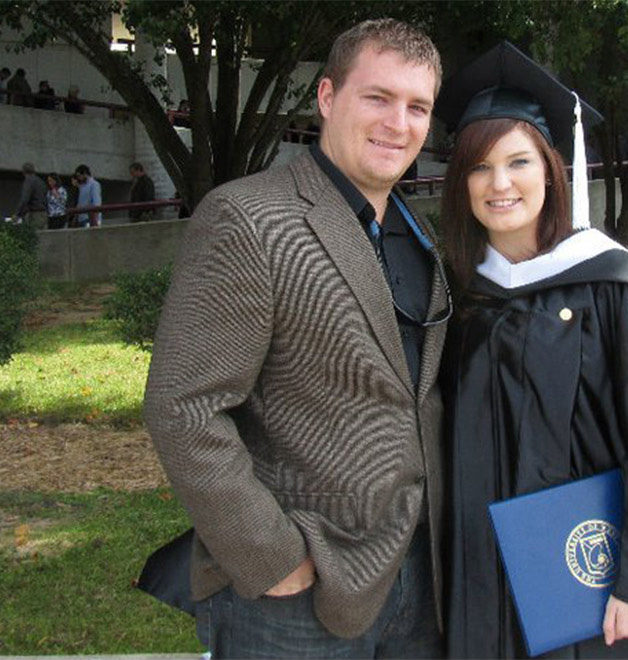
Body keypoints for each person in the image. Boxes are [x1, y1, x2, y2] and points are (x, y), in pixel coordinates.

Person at [143, 19, 449, 658]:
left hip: (421, 575)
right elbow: (184, 406)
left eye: (417, 106)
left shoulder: (417, 236)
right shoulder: (249, 218)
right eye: (378, 97)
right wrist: (273, 558)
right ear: (329, 98)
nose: (400, 122)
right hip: (298, 591)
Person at [432, 42, 628, 659]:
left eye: (518, 161)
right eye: (479, 166)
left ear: (550, 168)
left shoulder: (608, 284)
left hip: (595, 581)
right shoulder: (461, 295)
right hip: (485, 577)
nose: (499, 184)